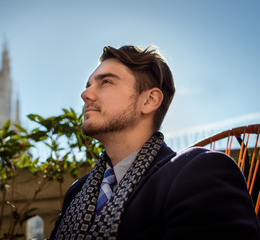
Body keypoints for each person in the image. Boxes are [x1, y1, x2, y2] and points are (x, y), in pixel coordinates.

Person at [49, 45, 260, 239]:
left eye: (106, 82)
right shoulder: (77, 192)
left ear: (149, 100)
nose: (85, 94)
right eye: (88, 85)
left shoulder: (199, 172)